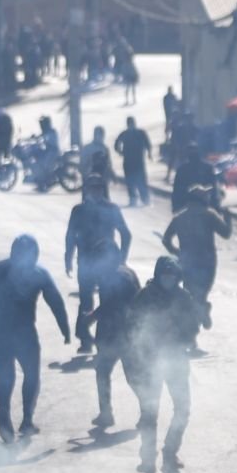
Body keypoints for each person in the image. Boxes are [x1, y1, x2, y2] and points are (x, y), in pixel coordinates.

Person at [0, 235, 71, 442]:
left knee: (11, 377)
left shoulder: (0, 270)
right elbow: (56, 302)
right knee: (25, 375)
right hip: (17, 332)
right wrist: (64, 328)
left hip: (3, 332)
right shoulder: (35, 273)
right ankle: (21, 419)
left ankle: (14, 416)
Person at [124, 257, 202, 473]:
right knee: (150, 412)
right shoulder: (144, 297)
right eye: (164, 276)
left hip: (177, 360)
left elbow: (193, 325)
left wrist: (184, 338)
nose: (168, 280)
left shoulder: (183, 297)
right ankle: (147, 458)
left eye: (172, 276)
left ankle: (170, 452)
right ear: (158, 275)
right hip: (150, 362)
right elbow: (132, 327)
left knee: (183, 408)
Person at [66, 174, 133, 354]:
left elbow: (126, 234)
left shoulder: (111, 209)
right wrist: (68, 258)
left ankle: (106, 339)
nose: (95, 191)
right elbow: (71, 236)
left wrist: (121, 259)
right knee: (85, 301)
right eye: (91, 187)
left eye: (98, 187)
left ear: (103, 190)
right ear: (86, 189)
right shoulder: (78, 211)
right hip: (86, 261)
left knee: (107, 301)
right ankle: (85, 339)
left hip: (107, 264)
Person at [161, 185, 232, 338]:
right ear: (200, 199)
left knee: (190, 295)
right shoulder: (209, 215)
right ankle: (201, 313)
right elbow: (226, 233)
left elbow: (166, 239)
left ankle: (193, 330)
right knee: (201, 295)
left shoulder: (179, 217)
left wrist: (177, 252)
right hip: (207, 262)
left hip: (186, 262)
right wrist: (228, 217)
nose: (208, 197)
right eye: (205, 196)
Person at [88, 263, 142, 429]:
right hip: (124, 333)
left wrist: (92, 316)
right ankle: (107, 413)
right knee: (121, 375)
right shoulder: (127, 272)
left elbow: (113, 305)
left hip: (118, 334)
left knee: (113, 374)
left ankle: (108, 414)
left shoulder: (114, 276)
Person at [114, 117, 153, 207]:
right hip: (132, 161)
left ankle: (142, 199)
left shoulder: (136, 133)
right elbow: (116, 144)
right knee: (132, 180)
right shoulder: (134, 133)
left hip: (135, 161)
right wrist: (120, 151)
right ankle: (136, 199)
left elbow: (148, 143)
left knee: (139, 180)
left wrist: (149, 153)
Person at [171, 143, 216, 213]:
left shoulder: (182, 169)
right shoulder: (208, 168)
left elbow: (176, 191)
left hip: (196, 206)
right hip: (190, 205)